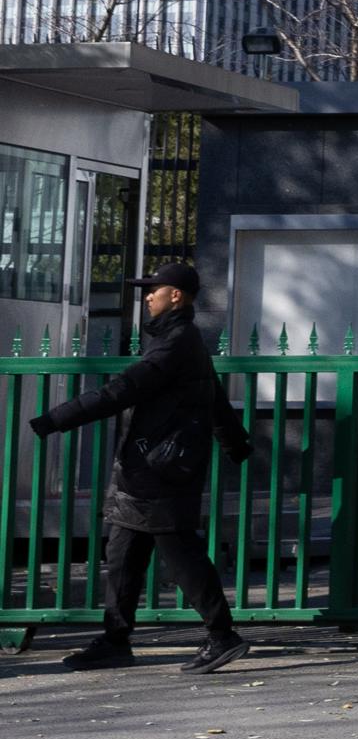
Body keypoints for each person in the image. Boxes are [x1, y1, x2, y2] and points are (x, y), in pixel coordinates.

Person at [29, 263, 253, 672]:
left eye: (155, 289)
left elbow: (124, 389)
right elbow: (214, 397)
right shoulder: (177, 339)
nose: (147, 296)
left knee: (182, 556)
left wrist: (55, 420)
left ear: (177, 297)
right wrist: (235, 443)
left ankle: (222, 635)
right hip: (146, 470)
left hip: (162, 472)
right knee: (122, 556)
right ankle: (116, 639)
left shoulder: (176, 341)